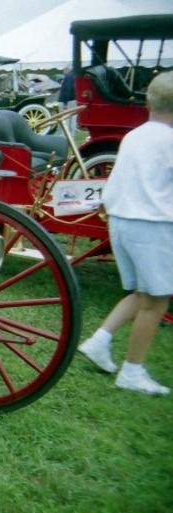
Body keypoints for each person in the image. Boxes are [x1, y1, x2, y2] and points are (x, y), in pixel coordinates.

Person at [77, 71, 173, 395]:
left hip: (121, 221)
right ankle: (132, 371)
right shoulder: (169, 141)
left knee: (140, 294)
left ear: (147, 101)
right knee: (156, 301)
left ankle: (99, 341)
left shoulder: (134, 135)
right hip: (152, 225)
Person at [58, 66, 77, 136]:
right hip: (74, 99)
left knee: (65, 118)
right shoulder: (74, 75)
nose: (63, 71)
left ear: (67, 70)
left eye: (64, 70)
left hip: (67, 100)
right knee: (73, 117)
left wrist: (65, 102)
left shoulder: (68, 76)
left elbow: (68, 89)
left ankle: (65, 134)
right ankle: (72, 134)